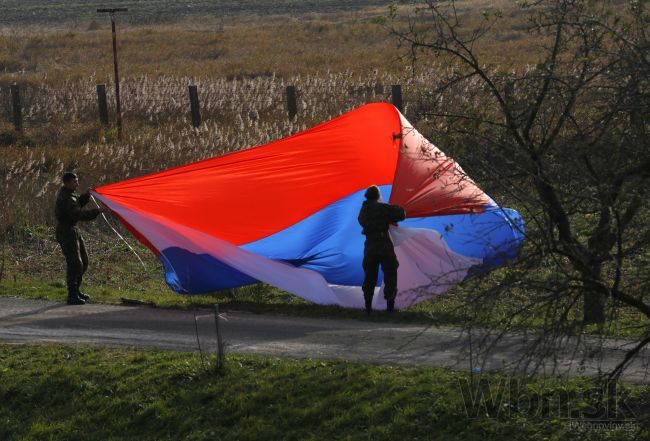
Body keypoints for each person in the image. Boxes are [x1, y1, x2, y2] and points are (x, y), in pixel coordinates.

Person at [54, 172, 106, 305]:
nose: (77, 184)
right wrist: (97, 211)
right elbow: (79, 214)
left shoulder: (70, 195)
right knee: (75, 264)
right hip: (66, 231)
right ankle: (72, 295)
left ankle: (76, 291)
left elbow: (77, 203)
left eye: (77, 181)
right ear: (66, 183)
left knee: (84, 261)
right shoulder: (65, 197)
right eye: (74, 182)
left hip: (73, 230)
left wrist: (86, 195)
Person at [357, 185, 405, 313]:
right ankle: (390, 307)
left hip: (370, 245)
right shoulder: (383, 208)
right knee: (390, 272)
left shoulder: (363, 210)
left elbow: (362, 222)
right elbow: (401, 214)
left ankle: (368, 307)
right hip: (383, 244)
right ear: (378, 196)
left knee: (369, 275)